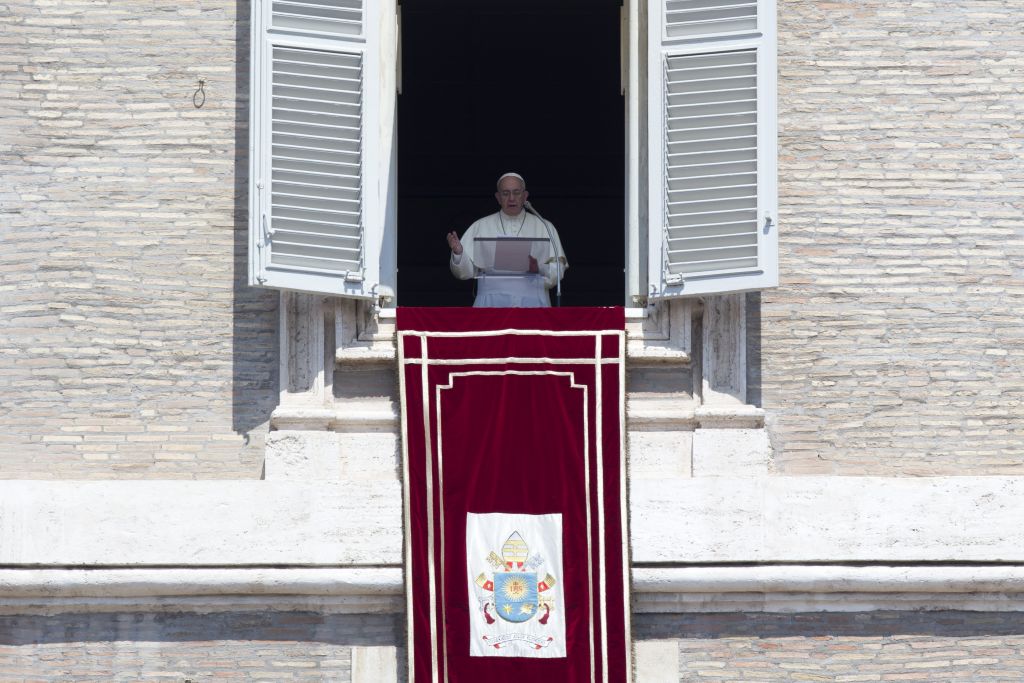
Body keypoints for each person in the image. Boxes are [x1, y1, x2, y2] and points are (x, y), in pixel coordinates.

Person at [447, 173, 568, 307]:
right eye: (505, 193)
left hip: (533, 303)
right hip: (490, 304)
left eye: (516, 192)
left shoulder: (544, 226)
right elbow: (464, 273)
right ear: (498, 197)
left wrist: (538, 269)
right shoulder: (480, 226)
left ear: (525, 196)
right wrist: (459, 254)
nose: (511, 198)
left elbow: (558, 270)